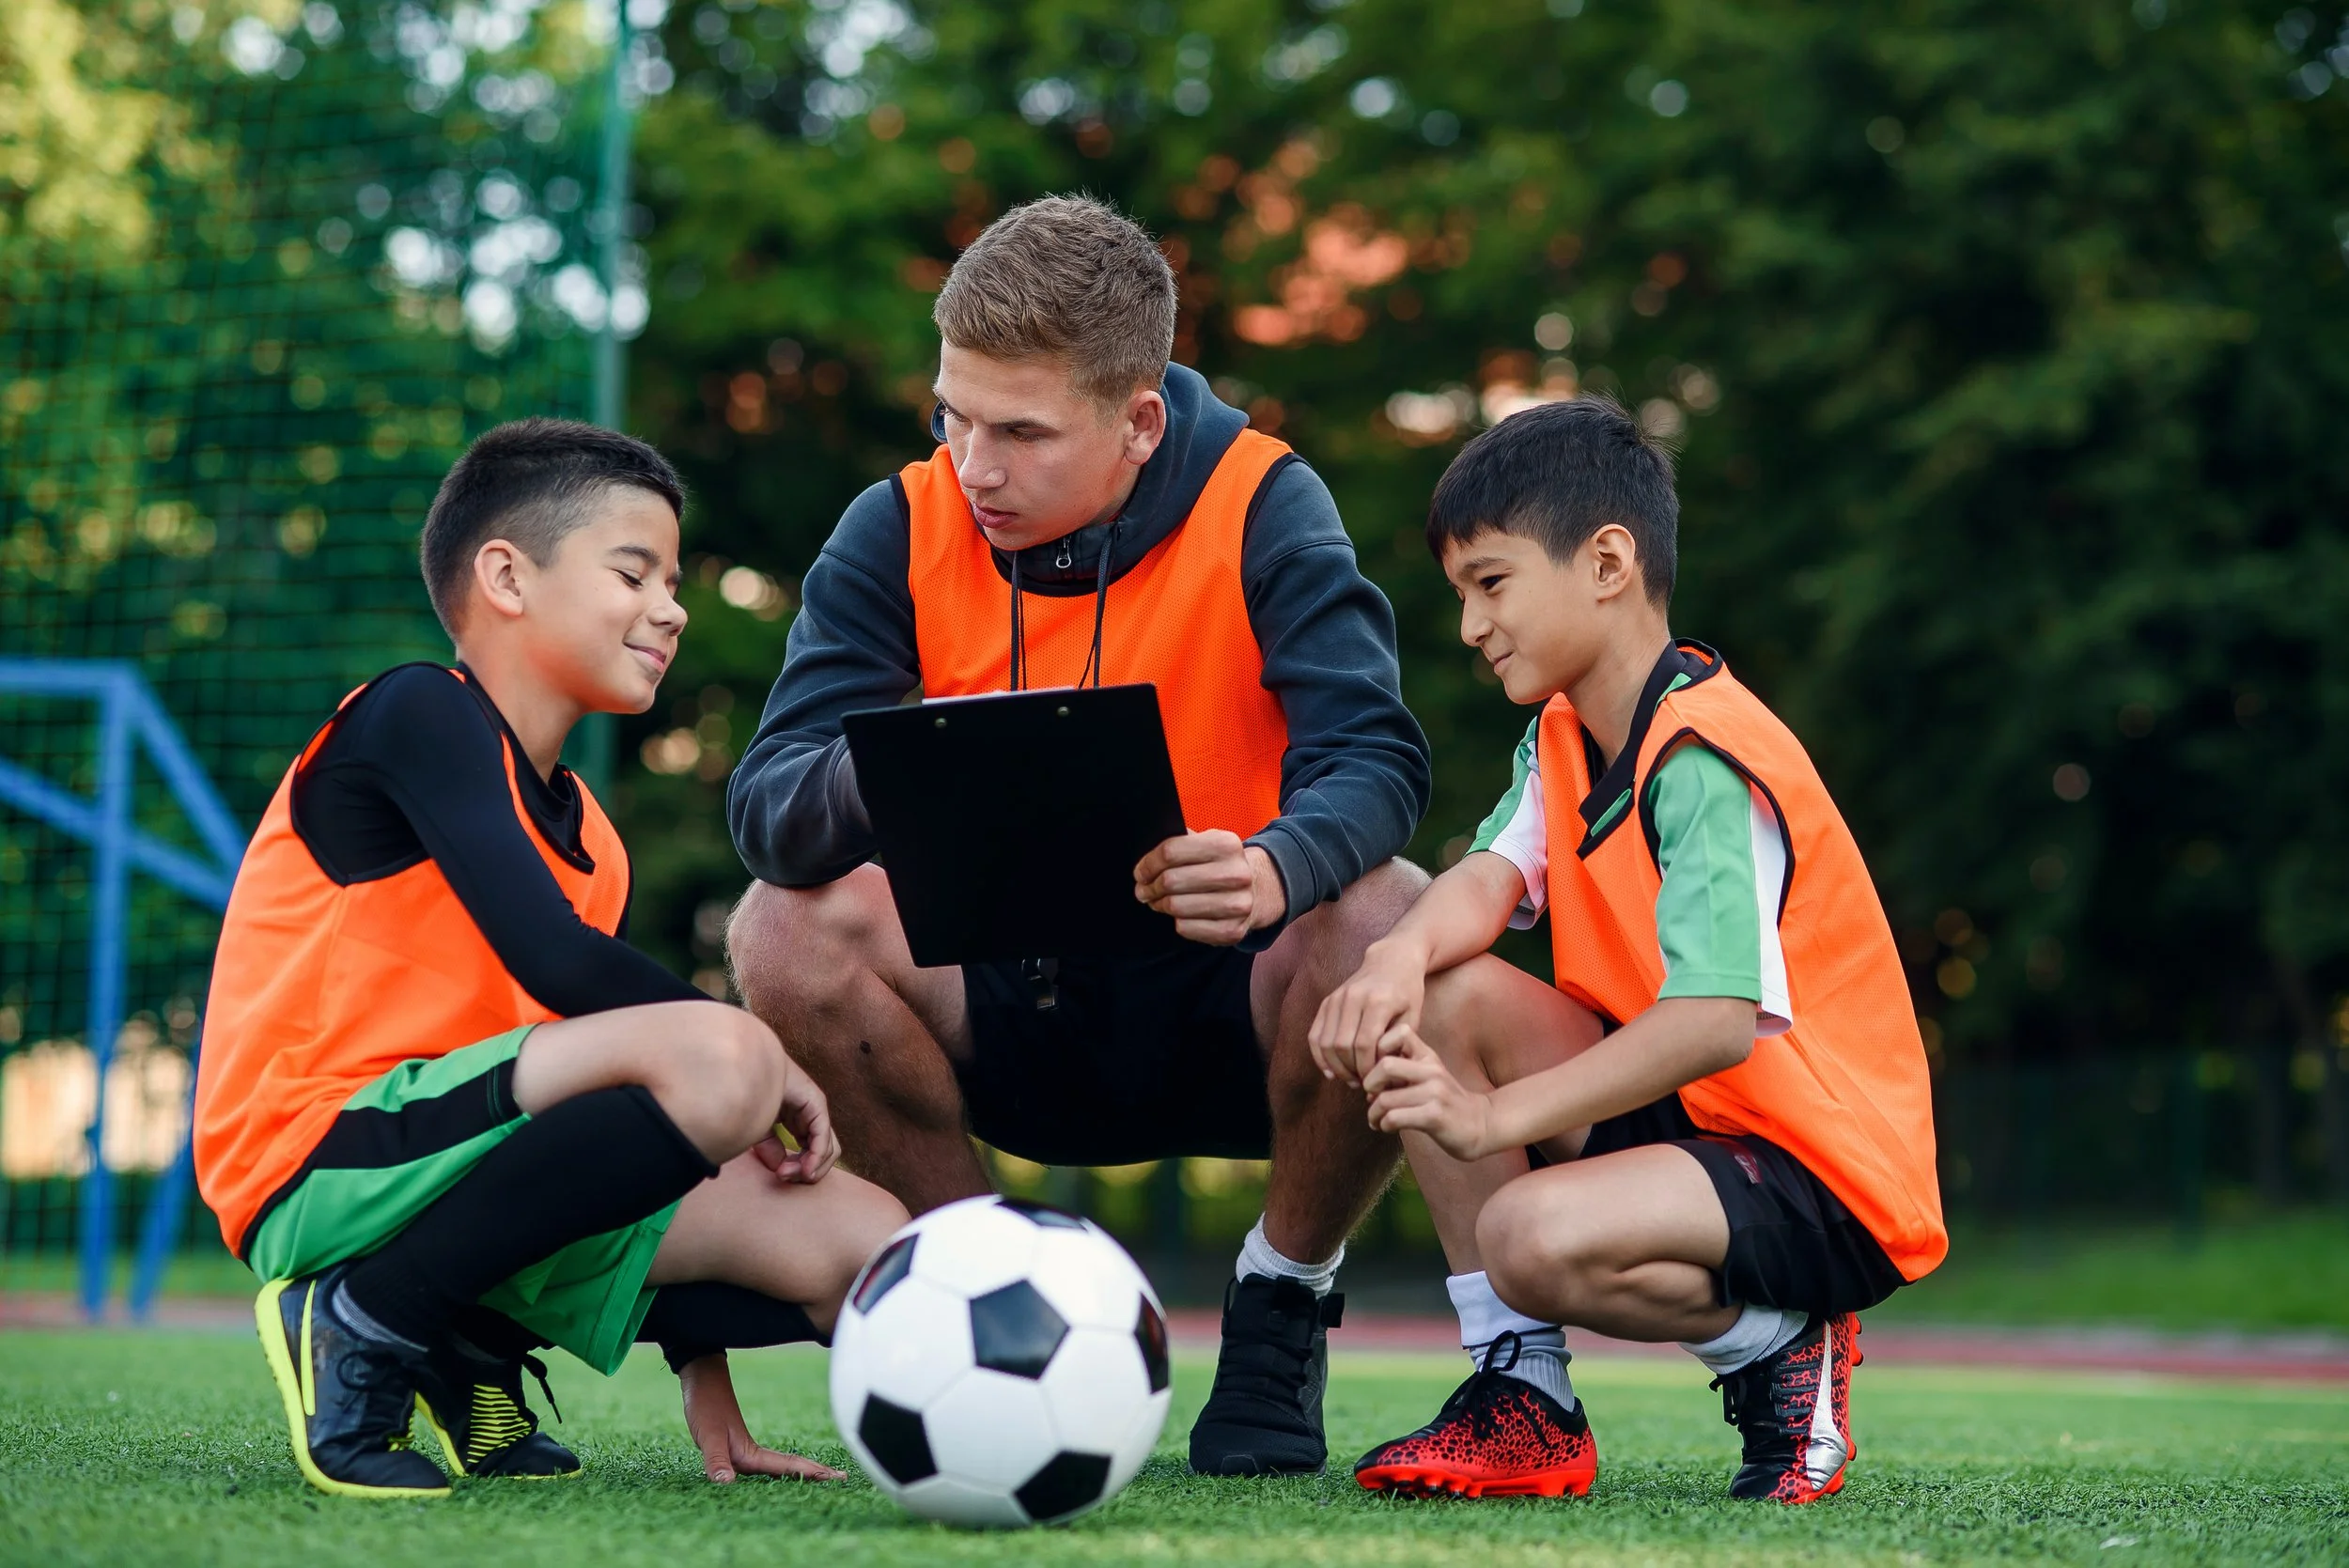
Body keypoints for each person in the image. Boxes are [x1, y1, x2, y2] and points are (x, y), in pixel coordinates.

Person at [724, 195, 1433, 1476]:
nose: (972, 465)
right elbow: (768, 807)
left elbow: (1378, 760)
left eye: (1020, 431)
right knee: (780, 929)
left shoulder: (1264, 500)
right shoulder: (896, 520)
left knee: (1390, 910)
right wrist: (903, 764)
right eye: (951, 414)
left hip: (1232, 995)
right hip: (999, 1003)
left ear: (1138, 421)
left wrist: (1278, 865)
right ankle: (985, 1295)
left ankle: (1283, 1301)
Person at [193, 419, 907, 1500]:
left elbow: (625, 1115)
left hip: (471, 1158)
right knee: (724, 1062)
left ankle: (461, 1329)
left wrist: (710, 1392)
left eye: (674, 580)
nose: (669, 607)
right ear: (506, 577)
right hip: (315, 1153)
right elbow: (560, 967)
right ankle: (363, 1319)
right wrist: (753, 1052)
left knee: (868, 1240)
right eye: (635, 572)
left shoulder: (594, 841)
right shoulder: (418, 712)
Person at [1312, 397, 1946, 1503]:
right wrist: (1389, 962)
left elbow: (1711, 1019)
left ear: (1606, 562)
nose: (1469, 625)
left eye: (1490, 583)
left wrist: (1496, 1120)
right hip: (1701, 1125)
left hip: (1820, 1171)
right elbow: (1486, 878)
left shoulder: (1702, 752)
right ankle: (1525, 1398)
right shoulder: (1567, 730)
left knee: (1525, 1233)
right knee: (1442, 996)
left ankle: (1781, 1352)